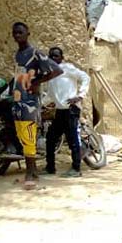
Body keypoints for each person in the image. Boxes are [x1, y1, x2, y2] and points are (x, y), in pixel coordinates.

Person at [12, 21, 62, 189]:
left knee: (29, 135)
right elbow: (19, 76)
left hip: (30, 102)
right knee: (22, 135)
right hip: (18, 101)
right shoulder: (18, 54)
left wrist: (37, 82)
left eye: (20, 32)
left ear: (28, 33)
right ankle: (32, 172)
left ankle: (30, 173)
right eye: (15, 33)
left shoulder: (35, 53)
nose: (17, 35)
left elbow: (56, 70)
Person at [44, 46, 90, 177]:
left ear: (61, 58)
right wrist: (38, 104)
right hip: (60, 111)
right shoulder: (51, 74)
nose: (53, 58)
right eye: (51, 56)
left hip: (71, 109)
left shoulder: (67, 68)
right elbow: (50, 95)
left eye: (56, 56)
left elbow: (85, 77)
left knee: (72, 140)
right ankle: (50, 167)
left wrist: (80, 96)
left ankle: (76, 169)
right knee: (51, 138)